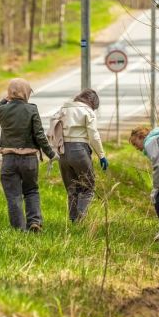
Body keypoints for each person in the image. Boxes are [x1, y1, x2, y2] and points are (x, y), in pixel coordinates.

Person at [0, 78, 56, 231]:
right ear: (25, 93)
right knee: (31, 190)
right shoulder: (31, 109)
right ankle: (34, 222)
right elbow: (39, 135)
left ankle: (19, 228)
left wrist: (2, 102)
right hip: (29, 160)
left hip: (9, 159)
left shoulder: (2, 109)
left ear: (9, 93)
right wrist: (51, 153)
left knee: (13, 195)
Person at [53, 89, 107, 222]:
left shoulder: (63, 108)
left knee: (72, 189)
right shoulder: (88, 112)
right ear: (93, 103)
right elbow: (93, 135)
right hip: (80, 151)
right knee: (88, 186)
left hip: (63, 152)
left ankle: (73, 220)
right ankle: (81, 216)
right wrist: (101, 155)